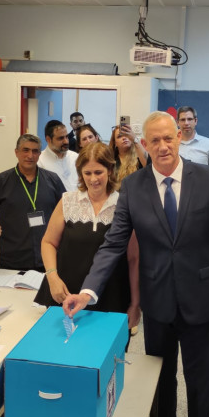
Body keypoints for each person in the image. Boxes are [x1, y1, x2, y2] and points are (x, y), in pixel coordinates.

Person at [63, 111, 209, 417]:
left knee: (201, 382)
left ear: (179, 138)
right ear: (144, 144)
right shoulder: (133, 186)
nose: (162, 147)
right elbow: (115, 243)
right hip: (158, 303)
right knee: (160, 383)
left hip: (203, 301)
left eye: (168, 138)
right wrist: (87, 291)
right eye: (154, 140)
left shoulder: (207, 178)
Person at [34, 142, 140, 331]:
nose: (93, 179)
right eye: (87, 173)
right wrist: (52, 277)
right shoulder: (68, 201)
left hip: (112, 295)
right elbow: (48, 242)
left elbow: (133, 259)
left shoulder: (124, 205)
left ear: (109, 169)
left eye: (98, 172)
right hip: (65, 293)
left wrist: (135, 303)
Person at [0, 134, 66, 271]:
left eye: (35, 151)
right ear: (16, 152)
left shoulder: (53, 180)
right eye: (25, 150)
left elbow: (65, 213)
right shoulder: (1, 181)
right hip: (10, 262)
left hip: (47, 260)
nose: (30, 155)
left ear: (40, 154)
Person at [38, 120, 79, 191]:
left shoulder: (75, 157)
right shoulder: (39, 162)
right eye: (61, 138)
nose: (66, 141)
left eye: (67, 137)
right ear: (48, 139)